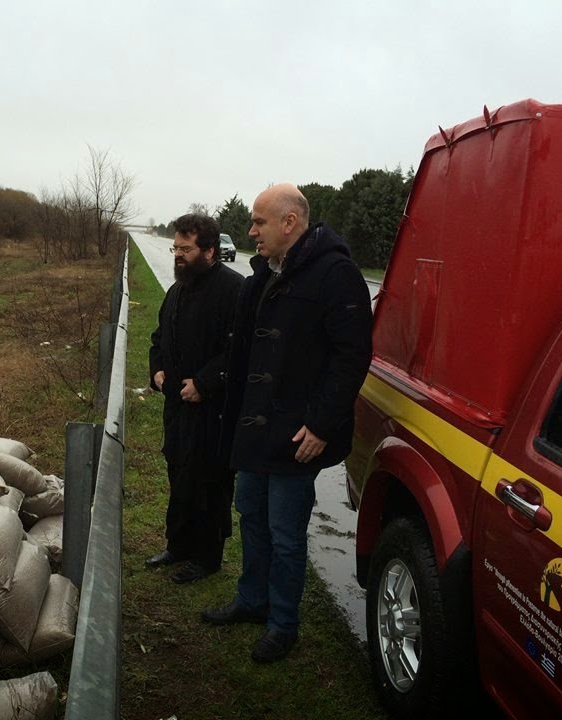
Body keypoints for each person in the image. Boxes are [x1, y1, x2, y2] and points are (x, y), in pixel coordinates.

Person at [201, 185, 372, 662]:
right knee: (250, 513)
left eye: (258, 221)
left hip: (298, 435)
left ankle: (282, 624)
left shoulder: (336, 274)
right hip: (255, 430)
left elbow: (352, 355)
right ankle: (252, 600)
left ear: (289, 223)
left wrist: (320, 424)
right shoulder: (265, 272)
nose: (251, 230)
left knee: (284, 530)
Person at [147, 213, 244, 583]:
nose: (177, 255)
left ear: (209, 250)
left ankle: (207, 557)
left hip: (212, 411)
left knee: (210, 482)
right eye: (175, 247)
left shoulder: (233, 290)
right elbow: (159, 337)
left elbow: (237, 350)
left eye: (185, 249)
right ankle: (179, 545)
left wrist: (204, 383)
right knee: (179, 473)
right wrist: (156, 370)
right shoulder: (177, 289)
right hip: (177, 407)